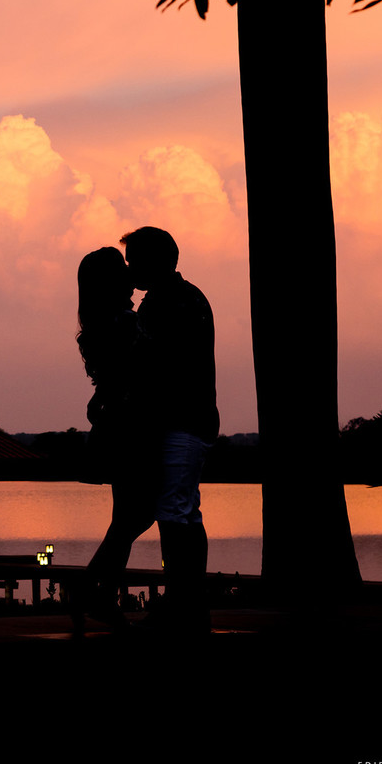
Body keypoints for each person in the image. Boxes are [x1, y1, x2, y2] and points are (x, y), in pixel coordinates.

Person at [122, 226, 219, 633]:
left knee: (177, 512)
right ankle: (186, 600)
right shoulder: (172, 300)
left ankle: (183, 600)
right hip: (183, 421)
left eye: (134, 261)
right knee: (182, 512)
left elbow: (161, 366)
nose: (129, 270)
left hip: (183, 421)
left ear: (156, 261)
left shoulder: (177, 303)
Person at [76, 246, 159, 627]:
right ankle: (93, 587)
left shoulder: (96, 324)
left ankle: (100, 592)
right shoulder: (126, 321)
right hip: (132, 429)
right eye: (122, 268)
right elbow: (141, 371)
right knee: (136, 515)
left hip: (115, 426)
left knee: (126, 516)